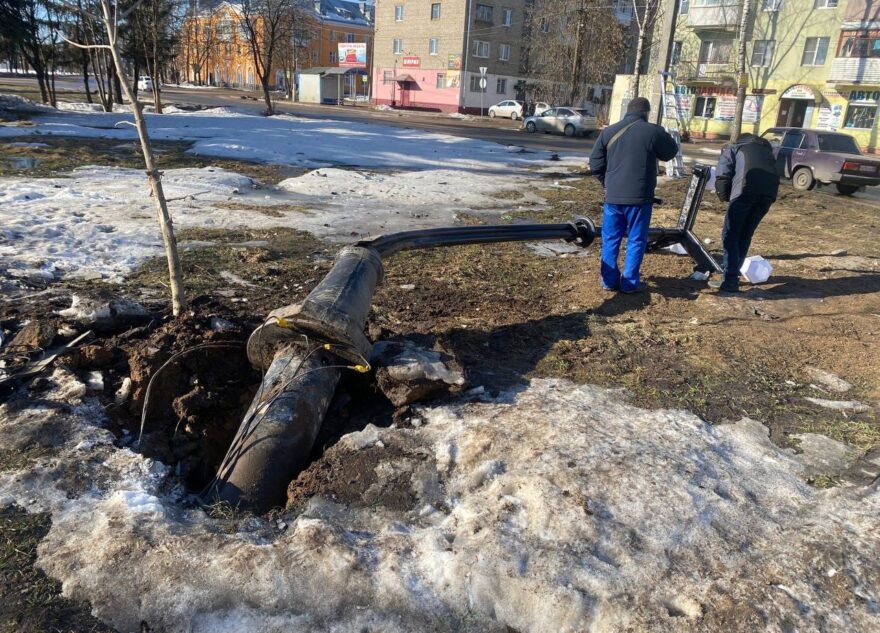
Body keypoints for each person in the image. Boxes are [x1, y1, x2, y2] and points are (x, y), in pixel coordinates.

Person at [589, 97, 679, 293]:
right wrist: (661, 132)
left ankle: (609, 281)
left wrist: (608, 183)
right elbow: (671, 152)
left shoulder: (609, 132)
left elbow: (595, 164)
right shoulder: (653, 132)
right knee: (636, 239)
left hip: (613, 197)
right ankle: (629, 284)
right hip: (640, 198)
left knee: (610, 239)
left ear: (627, 111)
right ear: (646, 113)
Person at [711, 133, 779, 293]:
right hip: (767, 197)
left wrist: (725, 196)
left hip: (744, 193)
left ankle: (730, 280)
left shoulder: (734, 148)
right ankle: (733, 274)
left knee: (731, 235)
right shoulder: (767, 152)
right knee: (745, 234)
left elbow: (723, 175)